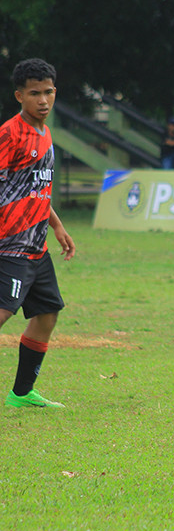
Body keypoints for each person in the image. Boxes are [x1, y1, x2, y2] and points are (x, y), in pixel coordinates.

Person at [1, 58, 76, 408]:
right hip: (10, 245)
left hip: (36, 245)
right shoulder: (10, 134)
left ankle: (21, 394)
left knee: (47, 314)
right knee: (3, 312)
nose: (43, 100)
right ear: (19, 96)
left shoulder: (45, 133)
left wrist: (56, 226)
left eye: (48, 92)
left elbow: (36, 189)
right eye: (34, 94)